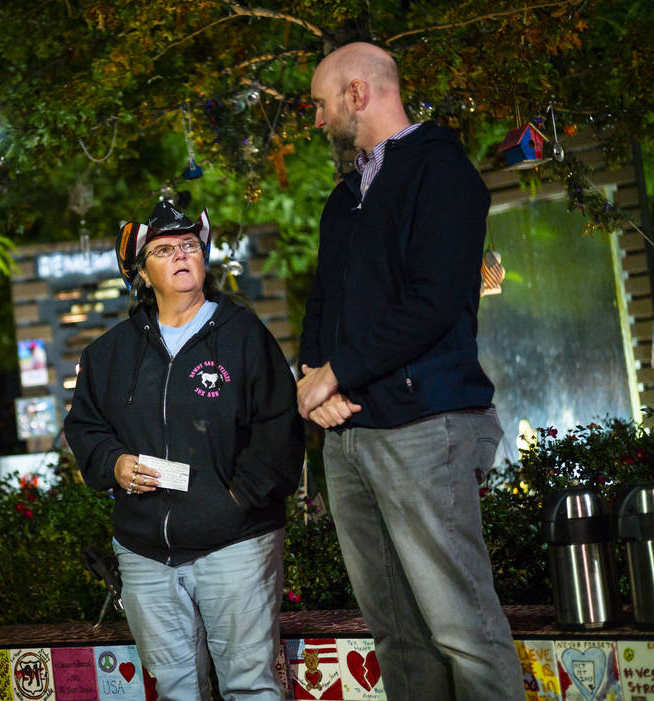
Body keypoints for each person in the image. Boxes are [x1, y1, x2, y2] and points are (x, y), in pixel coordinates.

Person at [296, 42, 524, 700]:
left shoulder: (442, 170)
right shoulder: (341, 202)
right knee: (397, 635)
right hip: (351, 438)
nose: (316, 121)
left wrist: (335, 372)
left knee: (463, 630)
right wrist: (316, 383)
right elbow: (320, 305)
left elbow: (435, 301)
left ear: (358, 94)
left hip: (428, 428)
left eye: (319, 104)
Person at [64, 199, 305, 701]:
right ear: (141, 271)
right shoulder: (108, 353)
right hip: (144, 553)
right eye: (164, 249)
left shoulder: (243, 336)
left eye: (190, 245)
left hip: (235, 544)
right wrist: (115, 463)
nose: (181, 255)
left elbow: (279, 428)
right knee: (175, 690)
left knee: (251, 687)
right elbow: (84, 426)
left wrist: (237, 501)